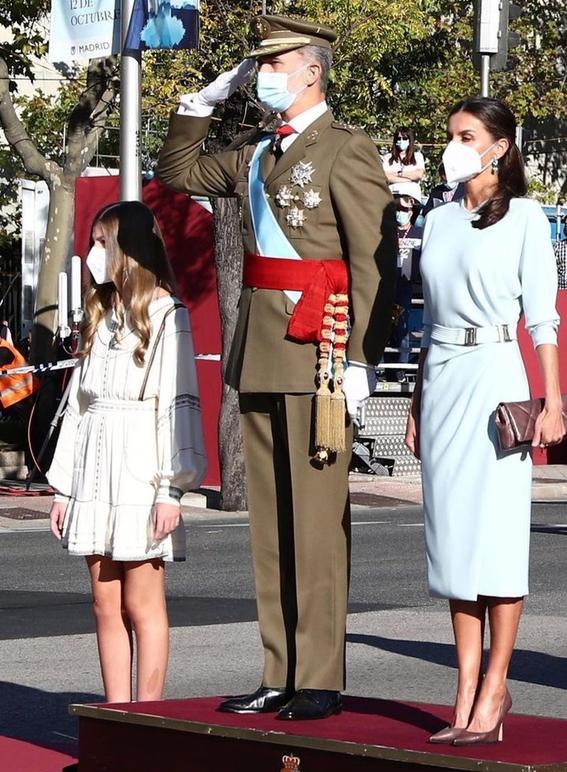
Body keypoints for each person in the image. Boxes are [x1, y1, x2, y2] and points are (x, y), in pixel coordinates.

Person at [156, 14, 396, 721]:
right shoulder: (259, 154)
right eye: (259, 64)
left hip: (318, 350)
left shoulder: (344, 150)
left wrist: (361, 360)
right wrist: (200, 102)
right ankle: (279, 669)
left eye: (276, 62)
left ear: (312, 71)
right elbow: (178, 172)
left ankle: (318, 674)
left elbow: (372, 265)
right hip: (262, 347)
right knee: (271, 526)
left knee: (316, 525)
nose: (264, 74)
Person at [405, 96, 563, 746]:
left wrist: (553, 401)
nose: (456, 145)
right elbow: (427, 322)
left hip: (498, 376)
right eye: (452, 135)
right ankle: (464, 686)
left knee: (495, 536)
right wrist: (416, 402)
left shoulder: (526, 217)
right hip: (442, 381)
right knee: (451, 542)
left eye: (467, 135)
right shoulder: (437, 221)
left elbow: (544, 318)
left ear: (499, 146)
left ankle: (496, 685)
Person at [47, 201, 207, 704]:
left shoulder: (166, 313)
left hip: (141, 462)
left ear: (127, 248)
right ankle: (114, 725)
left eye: (101, 242)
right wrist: (64, 487)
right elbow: (79, 404)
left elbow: (178, 404)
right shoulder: (101, 311)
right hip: (96, 460)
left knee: (142, 601)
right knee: (104, 601)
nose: (92, 252)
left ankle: (147, 723)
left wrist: (171, 489)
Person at [389, 182, 424, 381]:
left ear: (412, 210)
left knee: (404, 332)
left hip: (408, 289)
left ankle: (400, 371)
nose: (399, 212)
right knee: (386, 331)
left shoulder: (420, 235)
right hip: (386, 288)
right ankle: (386, 370)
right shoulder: (385, 234)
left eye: (403, 209)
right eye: (396, 209)